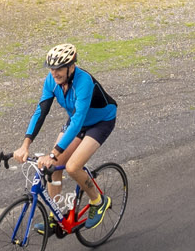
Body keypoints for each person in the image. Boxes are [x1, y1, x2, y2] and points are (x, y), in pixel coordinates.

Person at [9, 43, 116, 228]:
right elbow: (40, 112)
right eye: (51, 68)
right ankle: (57, 214)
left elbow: (77, 123)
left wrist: (53, 154)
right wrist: (25, 144)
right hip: (77, 120)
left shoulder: (84, 82)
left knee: (73, 167)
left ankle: (98, 201)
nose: (54, 72)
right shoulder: (51, 81)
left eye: (59, 68)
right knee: (54, 167)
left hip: (100, 121)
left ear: (71, 66)